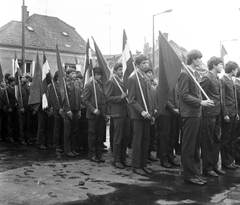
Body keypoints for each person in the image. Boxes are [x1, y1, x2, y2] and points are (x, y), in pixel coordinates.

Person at [178, 49, 213, 186]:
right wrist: (200, 102)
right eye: (198, 59)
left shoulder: (194, 74)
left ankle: (195, 173)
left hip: (196, 114)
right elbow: (183, 95)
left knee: (195, 146)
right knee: (189, 145)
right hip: (190, 114)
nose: (200, 61)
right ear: (192, 59)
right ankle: (188, 175)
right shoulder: (185, 74)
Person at [128, 54, 155, 176]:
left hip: (148, 116)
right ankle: (136, 165)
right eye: (143, 63)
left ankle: (143, 164)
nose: (146, 65)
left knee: (146, 141)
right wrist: (141, 111)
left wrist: (151, 112)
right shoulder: (134, 79)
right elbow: (131, 99)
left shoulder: (146, 79)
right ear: (137, 65)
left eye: (147, 63)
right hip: (139, 116)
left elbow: (149, 98)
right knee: (137, 141)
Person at [200, 56, 226, 177]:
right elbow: (200, 94)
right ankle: (207, 167)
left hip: (217, 113)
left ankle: (215, 165)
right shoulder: (206, 77)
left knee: (216, 140)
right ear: (214, 65)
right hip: (209, 113)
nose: (222, 66)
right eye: (220, 64)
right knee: (208, 141)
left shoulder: (217, 78)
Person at [106, 62, 131, 169]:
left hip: (126, 112)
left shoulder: (123, 81)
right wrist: (120, 97)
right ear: (115, 70)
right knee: (118, 138)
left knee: (125, 137)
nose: (122, 71)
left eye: (122, 69)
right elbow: (108, 97)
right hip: (117, 113)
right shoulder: (112, 81)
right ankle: (116, 159)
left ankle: (123, 159)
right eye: (120, 69)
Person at [82, 66, 109, 163]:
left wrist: (106, 113)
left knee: (100, 135)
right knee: (92, 135)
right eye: (97, 75)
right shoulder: (89, 85)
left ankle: (99, 154)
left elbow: (105, 100)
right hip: (93, 115)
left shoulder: (102, 85)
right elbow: (85, 100)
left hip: (101, 115)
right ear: (93, 75)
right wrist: (93, 110)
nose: (99, 77)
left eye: (100, 75)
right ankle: (92, 154)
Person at [220, 61, 239, 170]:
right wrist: (225, 113)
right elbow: (222, 98)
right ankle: (225, 161)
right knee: (226, 138)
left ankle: (230, 160)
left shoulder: (230, 80)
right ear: (232, 69)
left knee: (231, 138)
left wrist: (236, 113)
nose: (237, 71)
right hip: (228, 113)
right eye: (236, 69)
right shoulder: (223, 80)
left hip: (233, 113)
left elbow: (234, 99)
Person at [63, 68, 82, 157]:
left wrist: (79, 110)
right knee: (68, 131)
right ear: (68, 75)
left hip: (76, 109)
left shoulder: (77, 83)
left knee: (74, 130)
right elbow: (64, 99)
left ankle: (73, 148)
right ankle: (67, 149)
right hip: (69, 110)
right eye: (72, 73)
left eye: (75, 73)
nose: (74, 75)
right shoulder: (65, 84)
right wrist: (68, 110)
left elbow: (79, 97)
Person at [49, 71, 64, 153]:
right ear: (58, 77)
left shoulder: (63, 85)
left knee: (62, 128)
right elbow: (54, 99)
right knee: (57, 128)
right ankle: (56, 145)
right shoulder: (53, 85)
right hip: (57, 110)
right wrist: (59, 108)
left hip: (64, 109)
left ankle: (62, 144)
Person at [18, 73, 32, 145]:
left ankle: (28, 138)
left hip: (29, 107)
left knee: (28, 124)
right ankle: (22, 139)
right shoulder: (20, 87)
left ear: (28, 79)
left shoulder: (30, 86)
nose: (21, 78)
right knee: (22, 124)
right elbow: (19, 98)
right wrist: (21, 107)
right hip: (23, 107)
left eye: (23, 77)